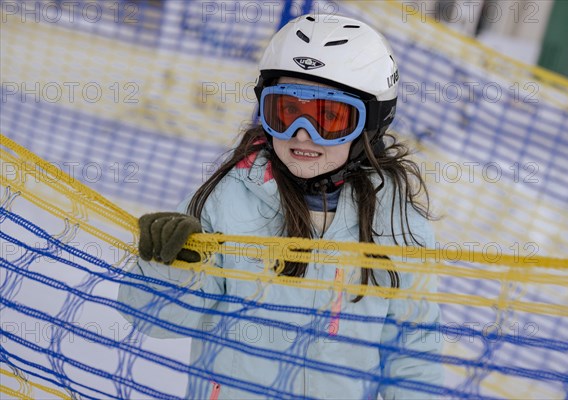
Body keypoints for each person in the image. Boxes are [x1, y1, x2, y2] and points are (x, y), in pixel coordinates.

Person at [118, 14, 442, 399]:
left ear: (370, 126)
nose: (302, 133)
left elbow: (412, 356)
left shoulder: (399, 228)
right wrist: (170, 268)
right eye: (286, 112)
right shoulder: (228, 201)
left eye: (330, 118)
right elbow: (152, 319)